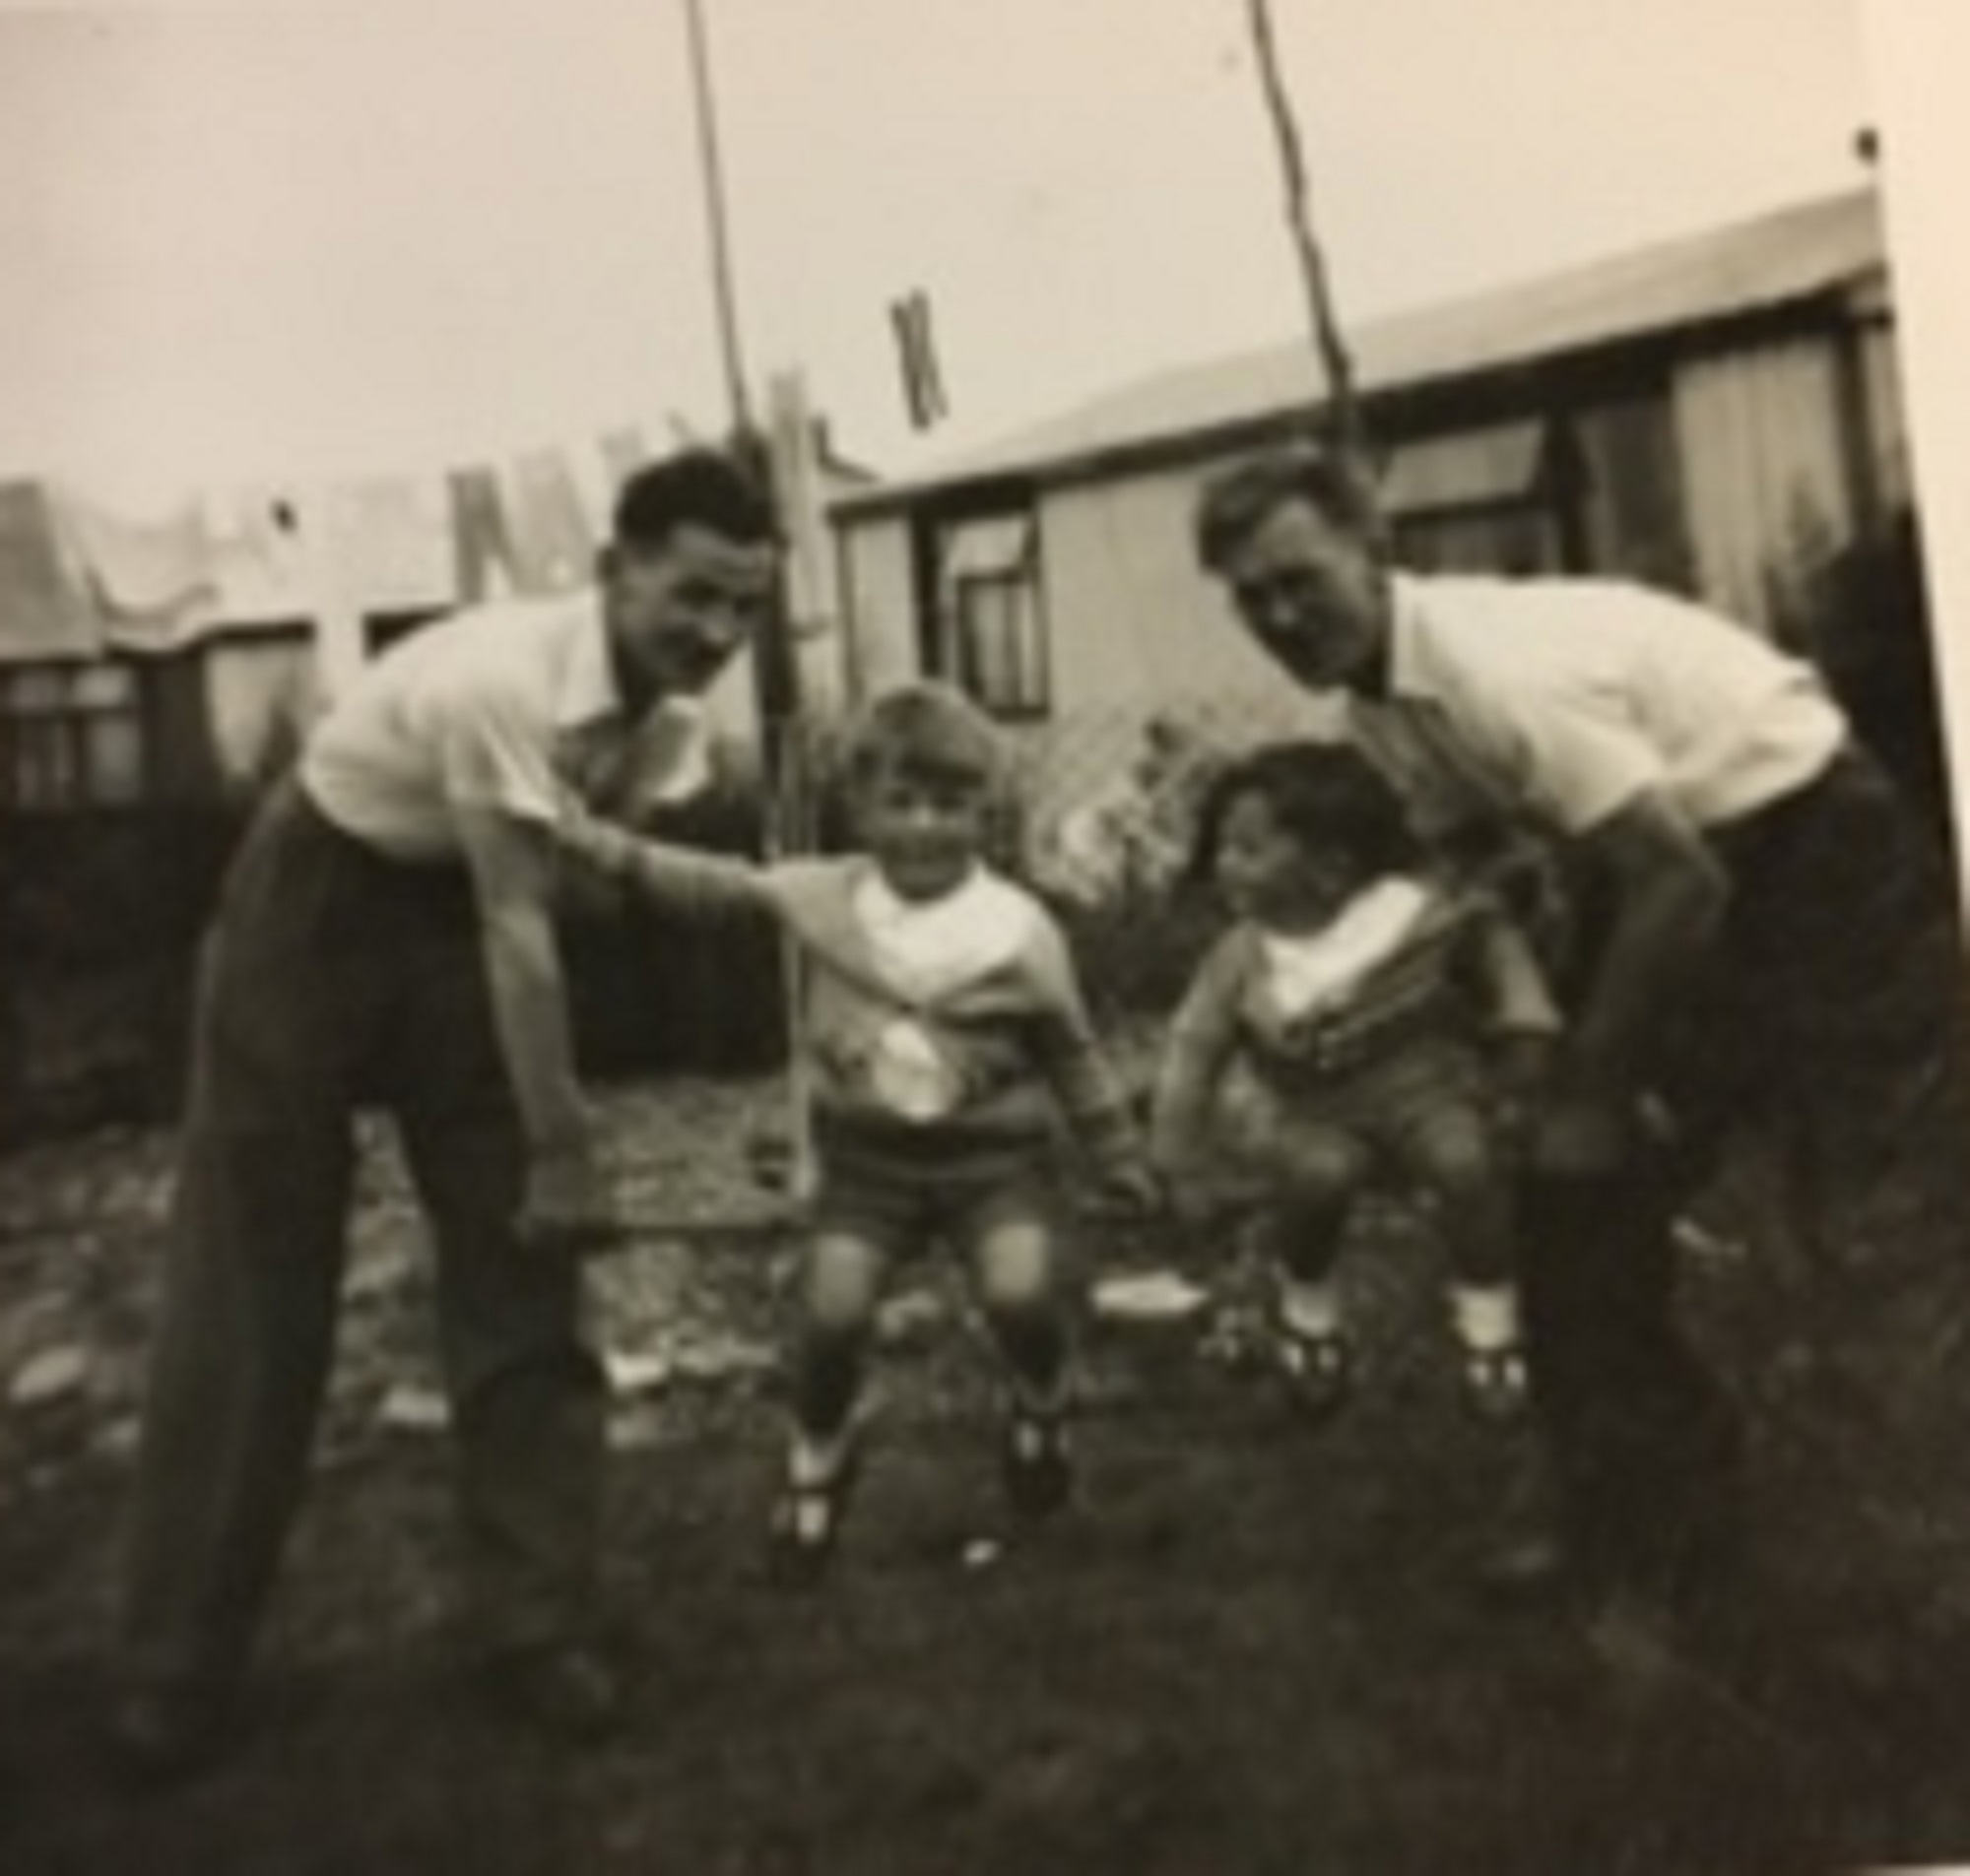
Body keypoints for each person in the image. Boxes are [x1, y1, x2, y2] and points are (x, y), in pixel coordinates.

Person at [1189, 443, 1966, 1631]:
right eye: (1251, 599)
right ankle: (1646, 1518)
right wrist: (1497, 1056)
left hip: (1812, 852)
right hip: (1678, 865)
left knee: (1870, 1212)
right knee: (1561, 1198)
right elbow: (1500, 877)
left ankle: (1918, 1556)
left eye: (1299, 578)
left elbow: (1677, 885)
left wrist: (1594, 1089)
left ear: (1372, 550)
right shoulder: (1378, 706)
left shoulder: (1487, 672)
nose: (1279, 615)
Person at [110, 448, 779, 1779]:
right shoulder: (495, 677)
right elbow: (521, 927)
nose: (714, 636)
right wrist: (571, 1142)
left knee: (525, 1255)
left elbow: (561, 891)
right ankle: (174, 1670)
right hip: (312, 908)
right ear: (613, 570)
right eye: (692, 596)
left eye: (743, 610)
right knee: (261, 1287)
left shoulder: (667, 730)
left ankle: (538, 1625)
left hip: (458, 926)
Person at [558, 682, 1157, 1585]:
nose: (925, 827)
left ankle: (1040, 1401)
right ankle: (820, 1451)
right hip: (867, 1167)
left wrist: (1119, 1157)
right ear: (861, 807)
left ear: (984, 810)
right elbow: (712, 888)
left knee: (1022, 1293)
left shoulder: (1020, 933)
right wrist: (596, 842)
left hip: (993, 1165)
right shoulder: (828, 898)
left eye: (950, 804)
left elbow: (1072, 1052)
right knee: (829, 1313)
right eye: (902, 803)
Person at [1149, 740, 1558, 1428]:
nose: (1225, 866)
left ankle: (1489, 1320)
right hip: (1313, 1108)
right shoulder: (1242, 958)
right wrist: (1175, 1154)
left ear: (1332, 869)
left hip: (1425, 1094)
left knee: (1464, 1163)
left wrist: (1525, 1021)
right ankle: (1308, 1307)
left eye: (1249, 850)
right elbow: (1194, 1050)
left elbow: (1493, 936)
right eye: (1223, 847)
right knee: (1319, 1173)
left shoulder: (1408, 921)